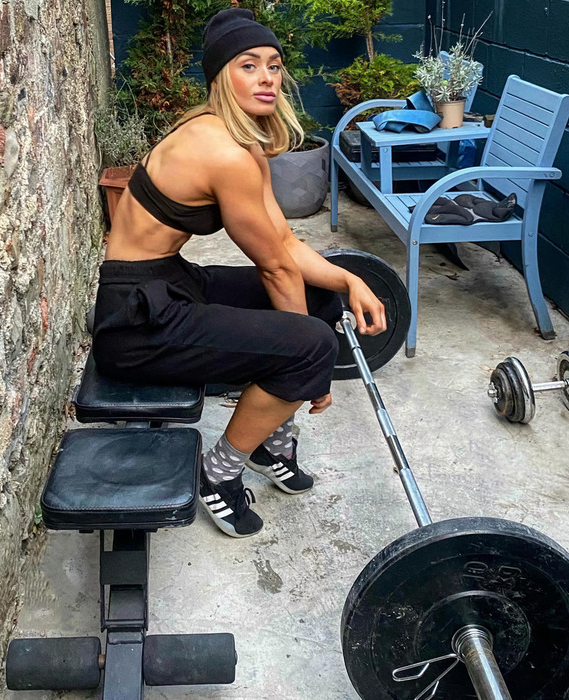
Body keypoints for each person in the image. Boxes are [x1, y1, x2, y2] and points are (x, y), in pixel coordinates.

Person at [92, 8, 387, 538]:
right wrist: (309, 362)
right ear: (219, 76)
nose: (266, 78)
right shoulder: (223, 154)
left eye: (273, 65)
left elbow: (284, 243)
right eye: (248, 66)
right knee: (310, 344)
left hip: (169, 284)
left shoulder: (239, 139)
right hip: (134, 323)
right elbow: (274, 268)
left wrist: (348, 280)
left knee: (320, 301)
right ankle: (220, 471)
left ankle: (272, 441)